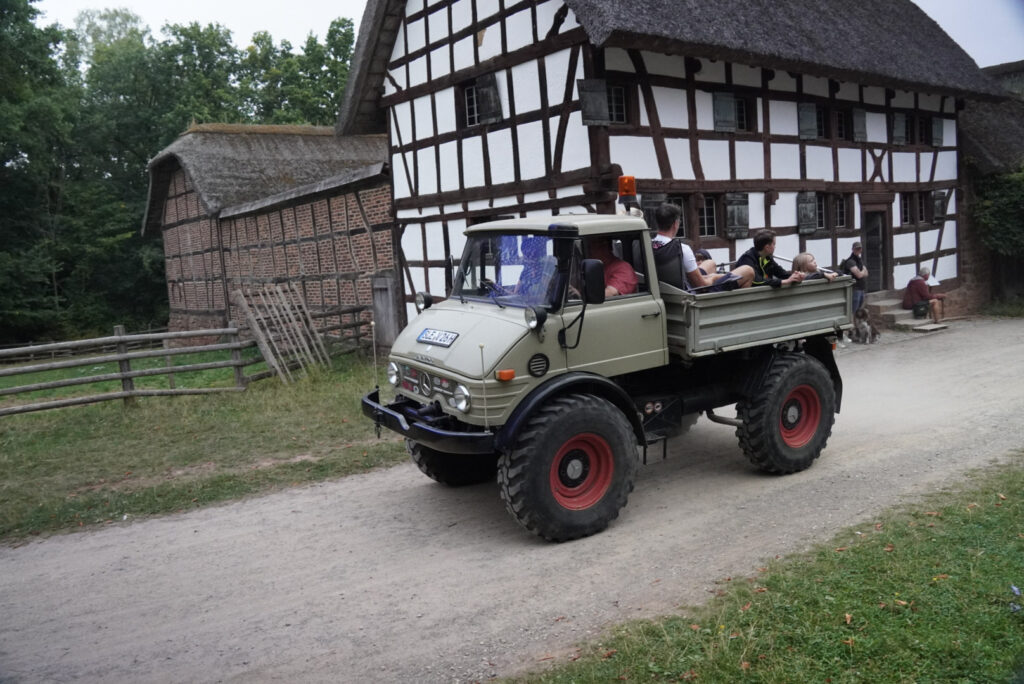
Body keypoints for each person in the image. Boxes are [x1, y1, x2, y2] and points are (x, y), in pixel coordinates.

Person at [651, 204, 754, 291]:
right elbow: (701, 286)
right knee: (748, 271)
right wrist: (714, 278)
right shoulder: (681, 249)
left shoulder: (648, 246)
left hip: (672, 286)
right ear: (675, 224)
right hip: (692, 291)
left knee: (710, 263)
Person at [734, 230, 805, 288]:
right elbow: (757, 281)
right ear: (767, 247)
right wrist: (783, 282)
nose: (775, 247)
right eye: (774, 244)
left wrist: (795, 277)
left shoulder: (767, 257)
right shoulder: (747, 258)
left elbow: (781, 273)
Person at [843, 241, 868, 312]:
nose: (858, 250)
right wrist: (863, 271)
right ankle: (852, 322)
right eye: (856, 249)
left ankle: (856, 322)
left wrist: (861, 272)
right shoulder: (850, 261)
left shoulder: (859, 260)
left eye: (859, 249)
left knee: (859, 310)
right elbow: (859, 275)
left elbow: (867, 273)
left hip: (861, 289)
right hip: (854, 289)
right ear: (853, 249)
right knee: (853, 310)